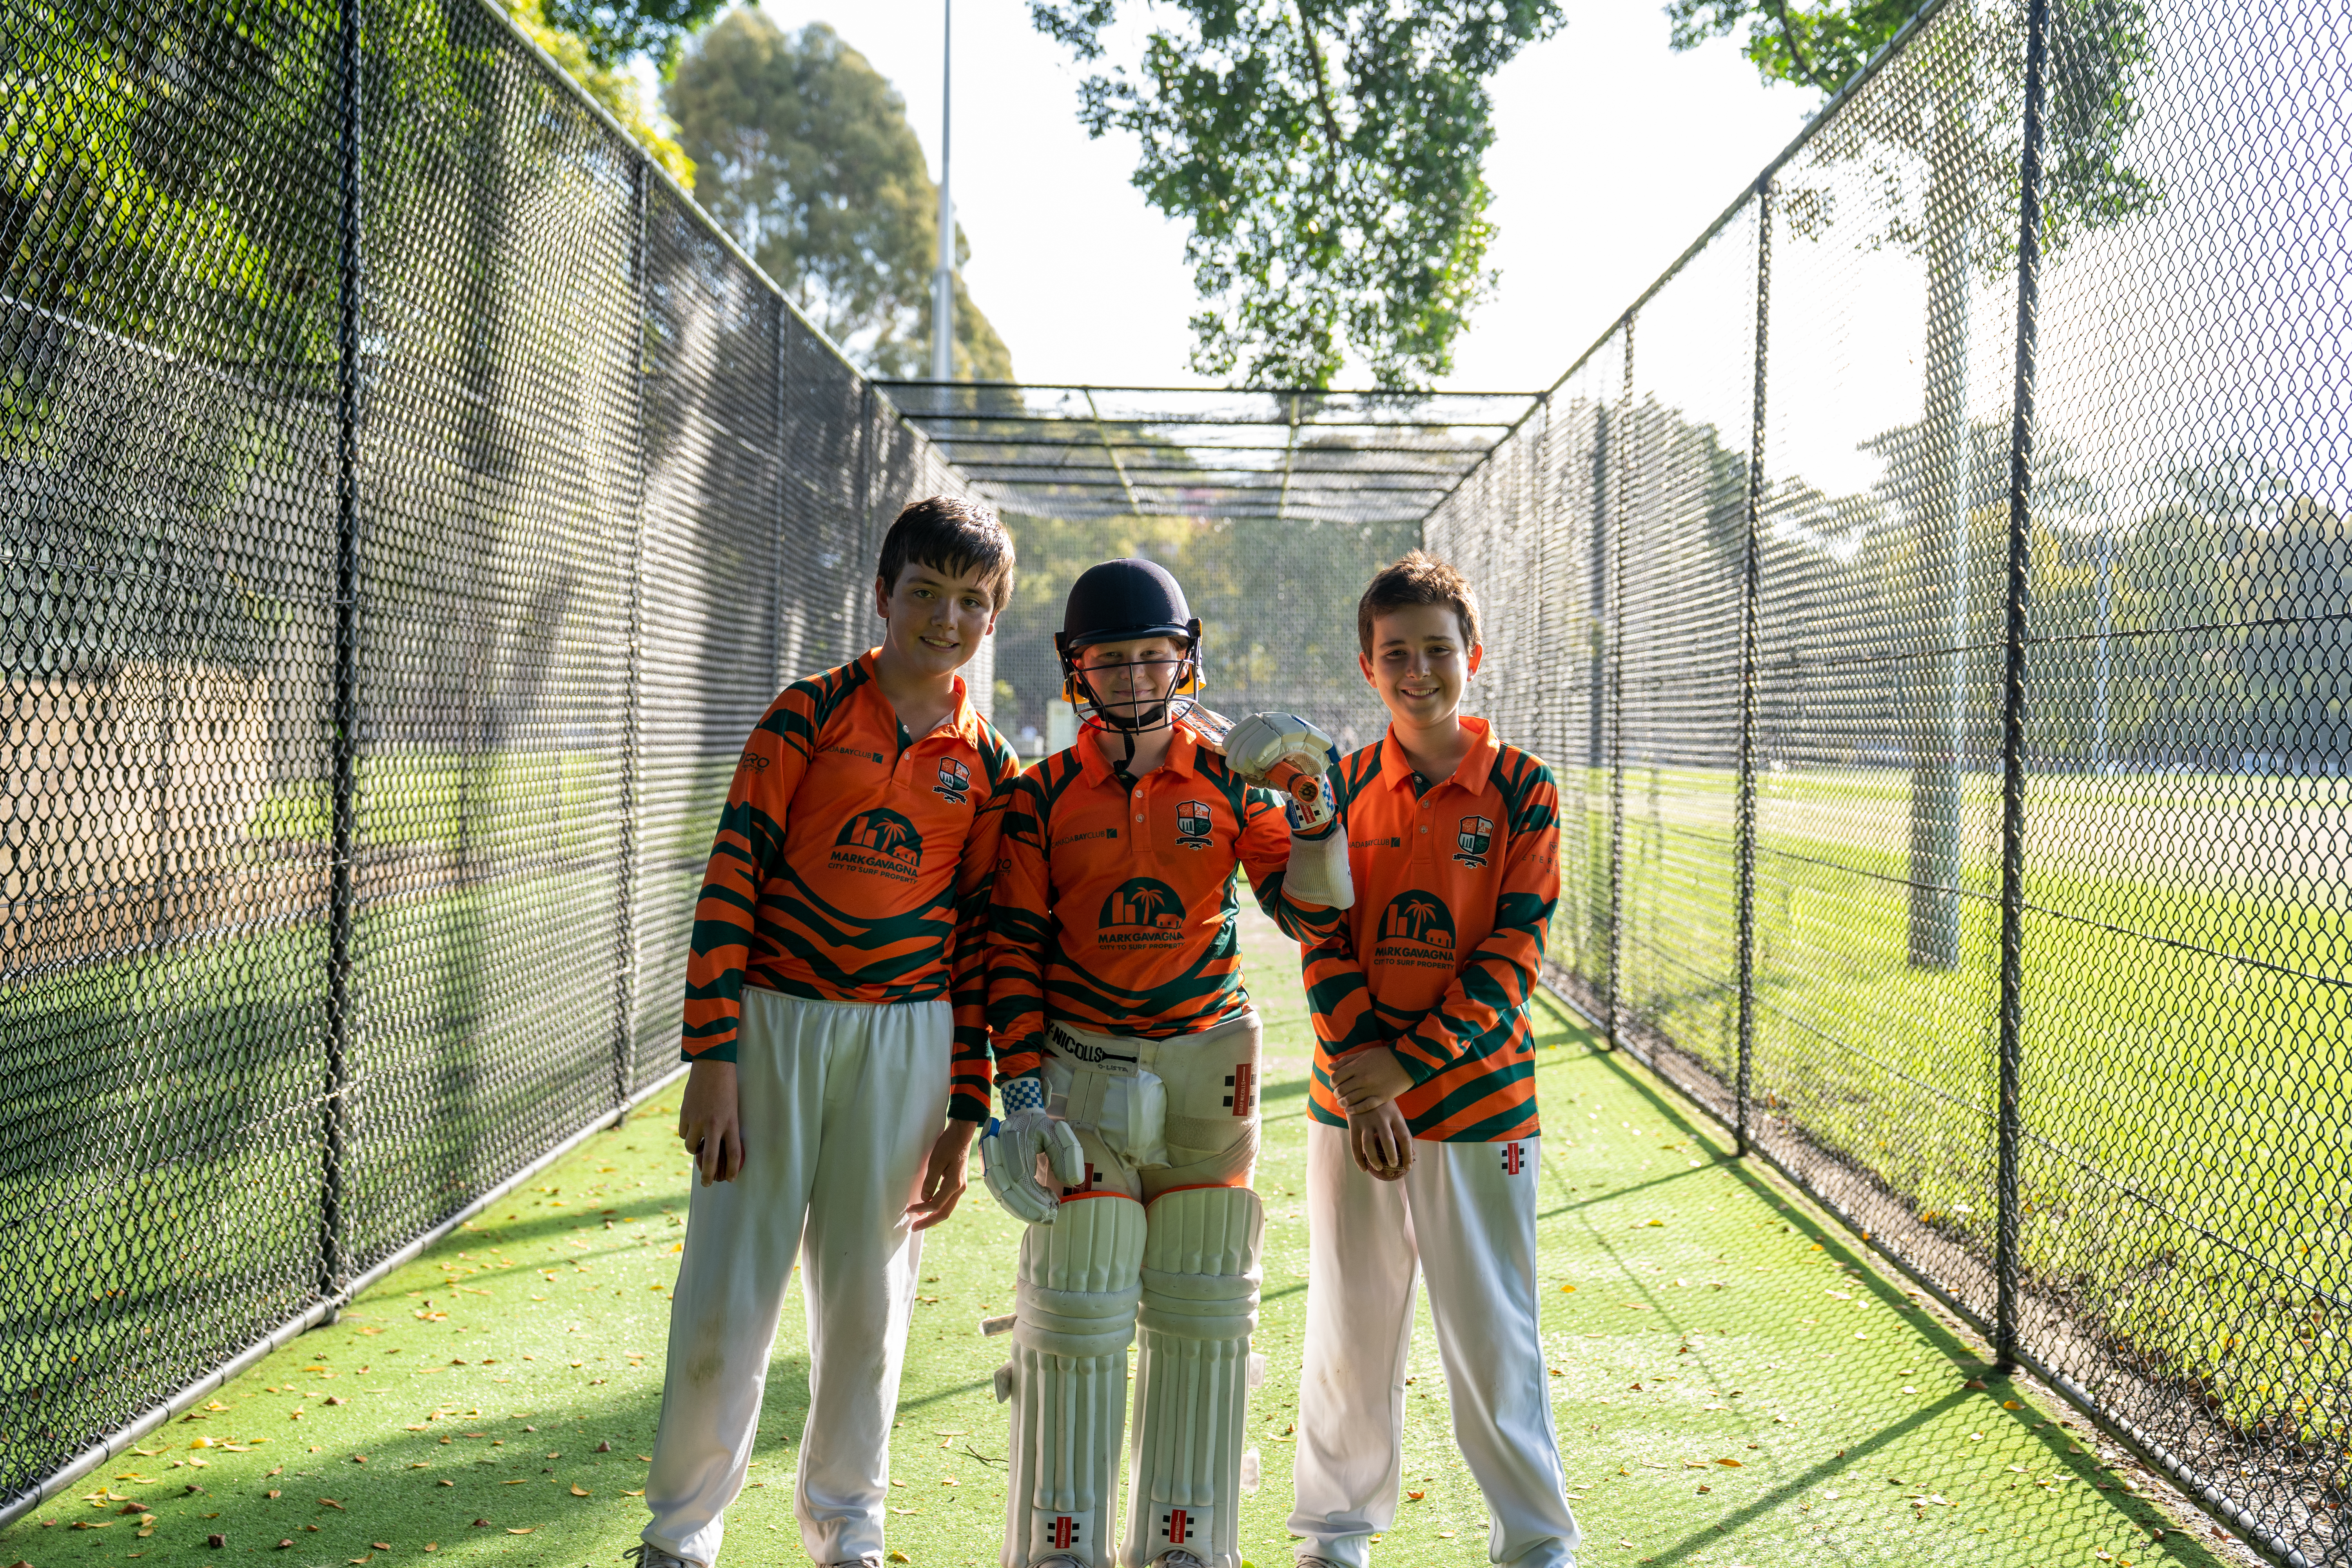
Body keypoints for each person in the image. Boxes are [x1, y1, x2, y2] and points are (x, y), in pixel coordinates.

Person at [630, 497, 1021, 1568]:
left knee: (867, 1306)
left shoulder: (990, 766)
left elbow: (982, 946)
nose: (947, 617)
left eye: (973, 601)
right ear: (884, 594)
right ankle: (682, 1536)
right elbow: (732, 881)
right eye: (927, 592)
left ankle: (848, 1529)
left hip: (907, 1044)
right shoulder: (804, 716)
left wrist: (963, 1114)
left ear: (993, 619)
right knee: (729, 1293)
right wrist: (713, 1061)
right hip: (773, 1032)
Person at [979, 557, 1352, 1568]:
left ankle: (1186, 1541)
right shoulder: (1040, 792)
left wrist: (1316, 806)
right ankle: (1062, 1543)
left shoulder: (1235, 778)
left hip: (1204, 1067)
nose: (1138, 680)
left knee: (1200, 1293)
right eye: (1115, 663)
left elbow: (1312, 908)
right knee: (1078, 1302)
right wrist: (1014, 1101)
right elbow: (1010, 951)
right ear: (1078, 670)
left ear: (1184, 660)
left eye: (1155, 659)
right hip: (1079, 1067)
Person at [1286, 551, 1580, 1568]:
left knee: (1495, 1338)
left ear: (1474, 657)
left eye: (1438, 651)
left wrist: (1404, 1071)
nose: (1420, 672)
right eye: (1396, 654)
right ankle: (1335, 1533)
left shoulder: (1525, 792)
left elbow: (1514, 955)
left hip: (1479, 1110)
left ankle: (1536, 1541)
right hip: (1348, 1106)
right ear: (1368, 669)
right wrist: (1364, 1081)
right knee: (1349, 1332)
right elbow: (1321, 936)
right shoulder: (1336, 788)